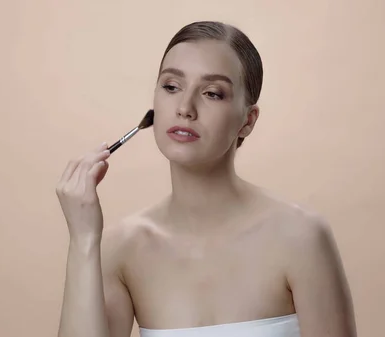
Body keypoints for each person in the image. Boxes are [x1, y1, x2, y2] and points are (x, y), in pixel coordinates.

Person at [56, 21, 356, 337]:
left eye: (212, 93)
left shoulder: (301, 238)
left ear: (247, 121)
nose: (185, 108)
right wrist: (83, 240)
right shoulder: (123, 248)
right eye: (171, 87)